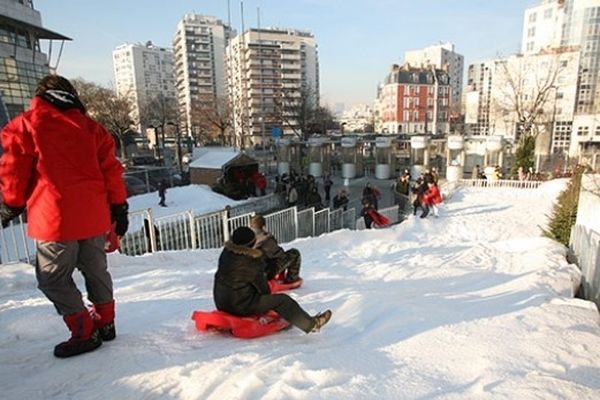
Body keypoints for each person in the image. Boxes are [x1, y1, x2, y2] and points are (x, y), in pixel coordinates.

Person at [0, 75, 129, 358]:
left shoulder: (26, 126)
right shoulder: (93, 130)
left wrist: (10, 204)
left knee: (53, 279)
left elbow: (14, 171)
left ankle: (84, 331)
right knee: (95, 269)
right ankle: (106, 324)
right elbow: (112, 172)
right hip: (95, 217)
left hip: (54, 218)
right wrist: (119, 208)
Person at [213, 227, 332, 333]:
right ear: (252, 243)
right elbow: (264, 290)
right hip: (241, 306)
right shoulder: (252, 261)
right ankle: (312, 324)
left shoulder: (225, 254)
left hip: (221, 302)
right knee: (282, 300)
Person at [250, 215, 301, 284]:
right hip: (265, 273)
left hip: (251, 273)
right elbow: (278, 254)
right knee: (294, 253)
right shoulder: (266, 238)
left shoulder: (246, 238)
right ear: (263, 226)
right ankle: (291, 279)